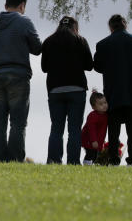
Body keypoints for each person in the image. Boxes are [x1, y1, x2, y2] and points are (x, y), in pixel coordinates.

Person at [0, 0, 42, 162]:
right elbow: (37, 48)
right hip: (17, 73)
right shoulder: (24, 21)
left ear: (5, 5)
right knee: (18, 121)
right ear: (22, 5)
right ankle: (15, 159)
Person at [93, 14, 132, 166]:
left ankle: (114, 160)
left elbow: (97, 66)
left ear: (110, 27)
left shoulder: (103, 44)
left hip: (114, 93)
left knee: (113, 130)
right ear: (125, 25)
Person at [40, 15, 93, 164]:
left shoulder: (49, 41)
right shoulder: (80, 40)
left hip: (55, 89)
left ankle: (54, 160)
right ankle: (73, 162)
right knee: (74, 129)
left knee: (56, 128)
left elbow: (44, 68)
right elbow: (89, 65)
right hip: (77, 89)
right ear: (75, 27)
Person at [81, 90, 109, 164]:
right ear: (93, 107)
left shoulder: (106, 115)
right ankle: (86, 164)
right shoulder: (92, 116)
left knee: (95, 154)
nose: (104, 105)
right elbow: (91, 129)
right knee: (90, 153)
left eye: (105, 102)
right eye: (100, 104)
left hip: (98, 140)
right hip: (88, 139)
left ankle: (89, 164)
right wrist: (93, 140)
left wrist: (101, 141)